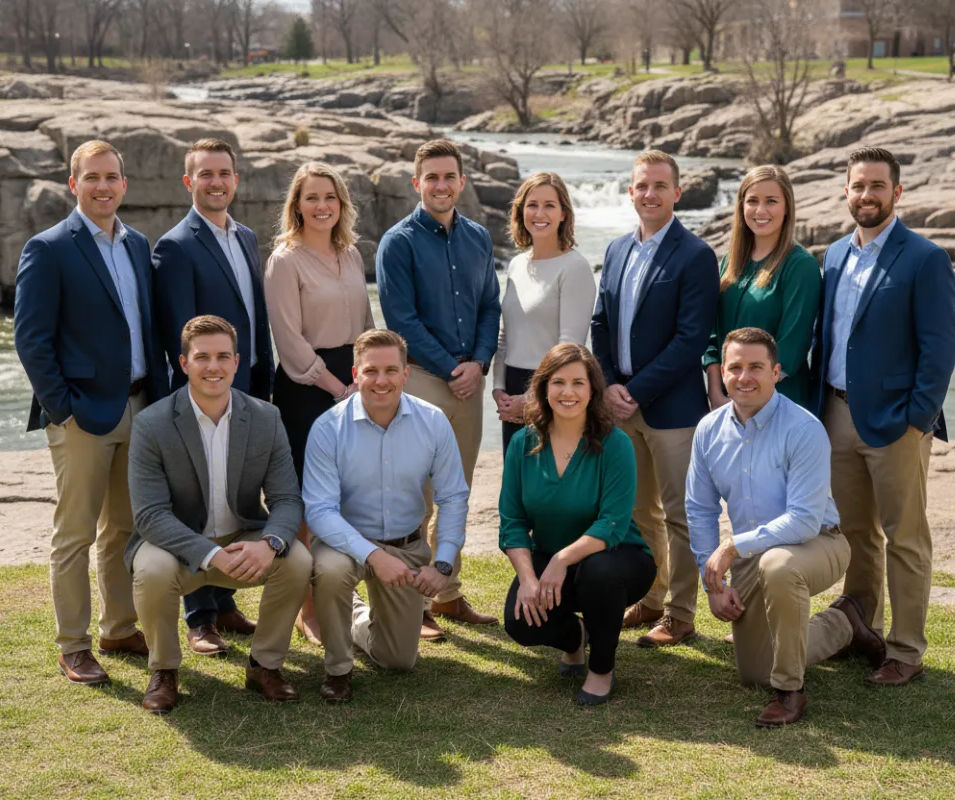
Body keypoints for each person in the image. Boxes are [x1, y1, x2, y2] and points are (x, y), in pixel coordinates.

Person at [13, 140, 169, 685]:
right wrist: (63, 410)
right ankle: (73, 644)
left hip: (141, 404)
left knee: (124, 528)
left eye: (112, 177)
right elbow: (31, 340)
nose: (103, 186)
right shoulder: (49, 248)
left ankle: (118, 627)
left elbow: (147, 329)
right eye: (92, 177)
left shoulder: (137, 245)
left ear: (125, 185)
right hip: (82, 413)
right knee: (75, 532)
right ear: (73, 184)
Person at [687, 328, 886, 727]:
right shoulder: (708, 430)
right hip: (750, 553)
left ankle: (790, 691)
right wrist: (713, 583)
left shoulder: (803, 428)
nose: (745, 377)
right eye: (735, 367)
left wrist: (731, 548)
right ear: (721, 373)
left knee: (779, 566)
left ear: (776, 372)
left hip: (818, 543)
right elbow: (699, 507)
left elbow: (804, 519)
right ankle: (846, 621)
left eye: (756, 367)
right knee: (753, 672)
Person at [812, 147, 955, 687]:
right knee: (854, 534)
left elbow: (940, 348)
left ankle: (906, 650)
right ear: (845, 192)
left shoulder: (924, 258)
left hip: (898, 422)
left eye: (877, 186)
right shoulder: (832, 256)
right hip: (837, 414)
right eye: (858, 186)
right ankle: (862, 627)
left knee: (906, 538)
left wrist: (918, 418)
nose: (866, 195)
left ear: (897, 193)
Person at [126, 315, 312, 714]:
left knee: (297, 560)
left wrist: (270, 543)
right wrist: (209, 555)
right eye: (203, 357)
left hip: (244, 537)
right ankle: (164, 670)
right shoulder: (151, 424)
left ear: (237, 361)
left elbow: (287, 499)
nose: (214, 366)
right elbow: (150, 515)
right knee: (152, 569)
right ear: (184, 363)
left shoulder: (266, 417)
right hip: (175, 544)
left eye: (223, 357)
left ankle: (265, 665)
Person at [590, 150, 720, 648]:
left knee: (681, 512)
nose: (650, 194)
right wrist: (607, 384)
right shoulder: (619, 249)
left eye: (660, 186)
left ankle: (681, 613)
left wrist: (636, 391)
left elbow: (690, 340)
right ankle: (650, 597)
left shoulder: (695, 255)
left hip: (672, 409)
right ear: (630, 191)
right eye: (642, 186)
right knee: (639, 511)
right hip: (621, 404)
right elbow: (601, 322)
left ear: (677, 193)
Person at [152, 139, 273, 656]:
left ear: (236, 179)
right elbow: (180, 334)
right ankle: (198, 615)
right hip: (203, 395)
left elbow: (253, 315)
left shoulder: (245, 236)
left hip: (248, 388)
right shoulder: (175, 246)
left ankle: (225, 604)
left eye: (224, 172)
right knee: (197, 500)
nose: (216, 181)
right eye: (205, 174)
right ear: (189, 182)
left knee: (236, 495)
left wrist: (262, 373)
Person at [376, 138, 501, 639]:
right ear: (417, 183)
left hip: (470, 382)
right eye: (432, 177)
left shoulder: (478, 238)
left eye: (449, 177)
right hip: (426, 381)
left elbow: (492, 304)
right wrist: (454, 366)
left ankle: (447, 596)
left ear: (462, 182)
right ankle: (416, 607)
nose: (441, 185)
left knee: (457, 493)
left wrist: (481, 363)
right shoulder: (398, 242)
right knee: (418, 497)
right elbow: (400, 318)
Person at [303, 329, 469, 702]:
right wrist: (375, 557)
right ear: (355, 373)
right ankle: (338, 669)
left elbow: (454, 496)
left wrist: (442, 565)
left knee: (398, 660)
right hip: (344, 544)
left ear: (406, 373)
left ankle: (353, 614)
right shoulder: (328, 428)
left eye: (391, 370)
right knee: (330, 571)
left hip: (406, 546)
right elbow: (320, 510)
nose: (381, 381)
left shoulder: (434, 422)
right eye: (371, 371)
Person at [501, 344, 656, 706]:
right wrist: (528, 577)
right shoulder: (522, 444)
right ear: (542, 388)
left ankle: (602, 669)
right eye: (558, 382)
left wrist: (560, 560)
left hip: (618, 558)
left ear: (592, 390)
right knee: (519, 622)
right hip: (552, 558)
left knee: (599, 573)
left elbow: (613, 523)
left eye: (577, 383)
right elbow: (512, 522)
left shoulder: (615, 443)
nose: (567, 392)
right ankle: (576, 638)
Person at [264, 161, 375, 646]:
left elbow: (368, 322)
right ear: (297, 205)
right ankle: (307, 609)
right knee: (311, 503)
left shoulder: (350, 254)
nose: (322, 206)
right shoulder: (284, 260)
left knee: (349, 495)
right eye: (312, 197)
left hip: (353, 380)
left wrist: (369, 376)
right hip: (307, 389)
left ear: (340, 203)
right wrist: (338, 387)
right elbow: (289, 343)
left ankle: (340, 594)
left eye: (329, 197)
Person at [493, 172, 596, 455]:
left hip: (555, 392)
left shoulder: (575, 267)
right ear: (521, 210)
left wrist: (530, 399)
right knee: (517, 485)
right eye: (532, 204)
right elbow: (505, 334)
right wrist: (499, 389)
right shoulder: (515, 265)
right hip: (512, 391)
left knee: (549, 487)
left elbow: (569, 346)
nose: (540, 213)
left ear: (564, 213)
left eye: (550, 205)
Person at [704, 165, 821, 411]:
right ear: (741, 206)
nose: (760, 210)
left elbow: (791, 349)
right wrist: (715, 391)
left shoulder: (801, 266)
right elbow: (712, 335)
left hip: (778, 405)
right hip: (726, 403)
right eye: (752, 201)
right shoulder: (731, 261)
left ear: (787, 207)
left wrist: (743, 398)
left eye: (771, 201)